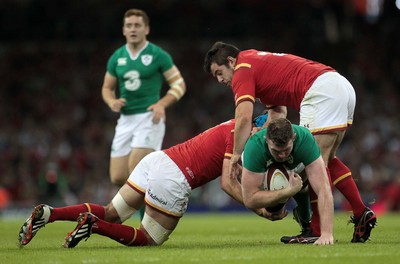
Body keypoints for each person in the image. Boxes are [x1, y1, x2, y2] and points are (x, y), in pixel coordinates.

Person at [18, 119, 296, 248]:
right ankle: (93, 225)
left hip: (157, 160)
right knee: (148, 239)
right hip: (174, 176)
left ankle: (51, 213)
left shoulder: (232, 126)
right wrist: (258, 208)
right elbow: (227, 183)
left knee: (113, 211)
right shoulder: (241, 136)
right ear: (258, 128)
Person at [203, 41, 376, 243]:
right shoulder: (255, 61)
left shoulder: (242, 69)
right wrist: (263, 130)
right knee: (325, 160)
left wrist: (236, 156)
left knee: (313, 163)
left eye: (219, 72)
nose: (219, 79)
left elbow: (242, 117)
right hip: (339, 85)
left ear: (231, 61)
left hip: (320, 91)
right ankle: (359, 211)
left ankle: (317, 230)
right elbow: (278, 112)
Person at [102, 9, 186, 187]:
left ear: (146, 29)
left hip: (149, 118)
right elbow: (107, 88)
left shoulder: (158, 55)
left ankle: (147, 214)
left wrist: (161, 104)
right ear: (123, 30)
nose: (133, 29)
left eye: (137, 25)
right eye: (129, 26)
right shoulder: (117, 58)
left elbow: (179, 84)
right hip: (125, 119)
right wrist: (112, 101)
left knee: (136, 171)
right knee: (118, 177)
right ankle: (154, 192)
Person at [242, 118, 334, 245]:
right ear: (266, 140)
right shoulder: (254, 147)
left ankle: (306, 222)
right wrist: (287, 191)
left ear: (294, 138)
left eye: (286, 149)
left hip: (297, 169)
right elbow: (249, 200)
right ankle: (300, 207)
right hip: (264, 174)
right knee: (274, 212)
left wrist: (327, 233)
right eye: (276, 151)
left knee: (316, 177)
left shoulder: (305, 139)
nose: (282, 155)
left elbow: (323, 188)